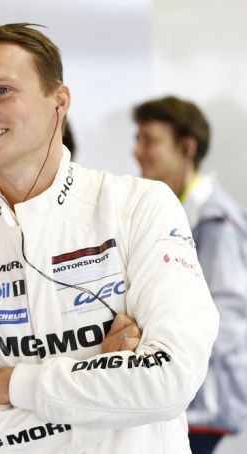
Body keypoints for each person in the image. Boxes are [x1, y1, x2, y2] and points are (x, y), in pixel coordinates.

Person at [0, 23, 219, 453]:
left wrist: (12, 385)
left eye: (1, 91)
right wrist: (108, 393)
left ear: (59, 101)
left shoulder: (139, 206)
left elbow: (170, 381)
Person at [133, 95, 247, 453]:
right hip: (181, 398)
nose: (137, 151)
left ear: (187, 147)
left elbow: (226, 321)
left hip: (201, 406)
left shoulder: (215, 220)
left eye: (149, 140)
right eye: (138, 139)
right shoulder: (176, 210)